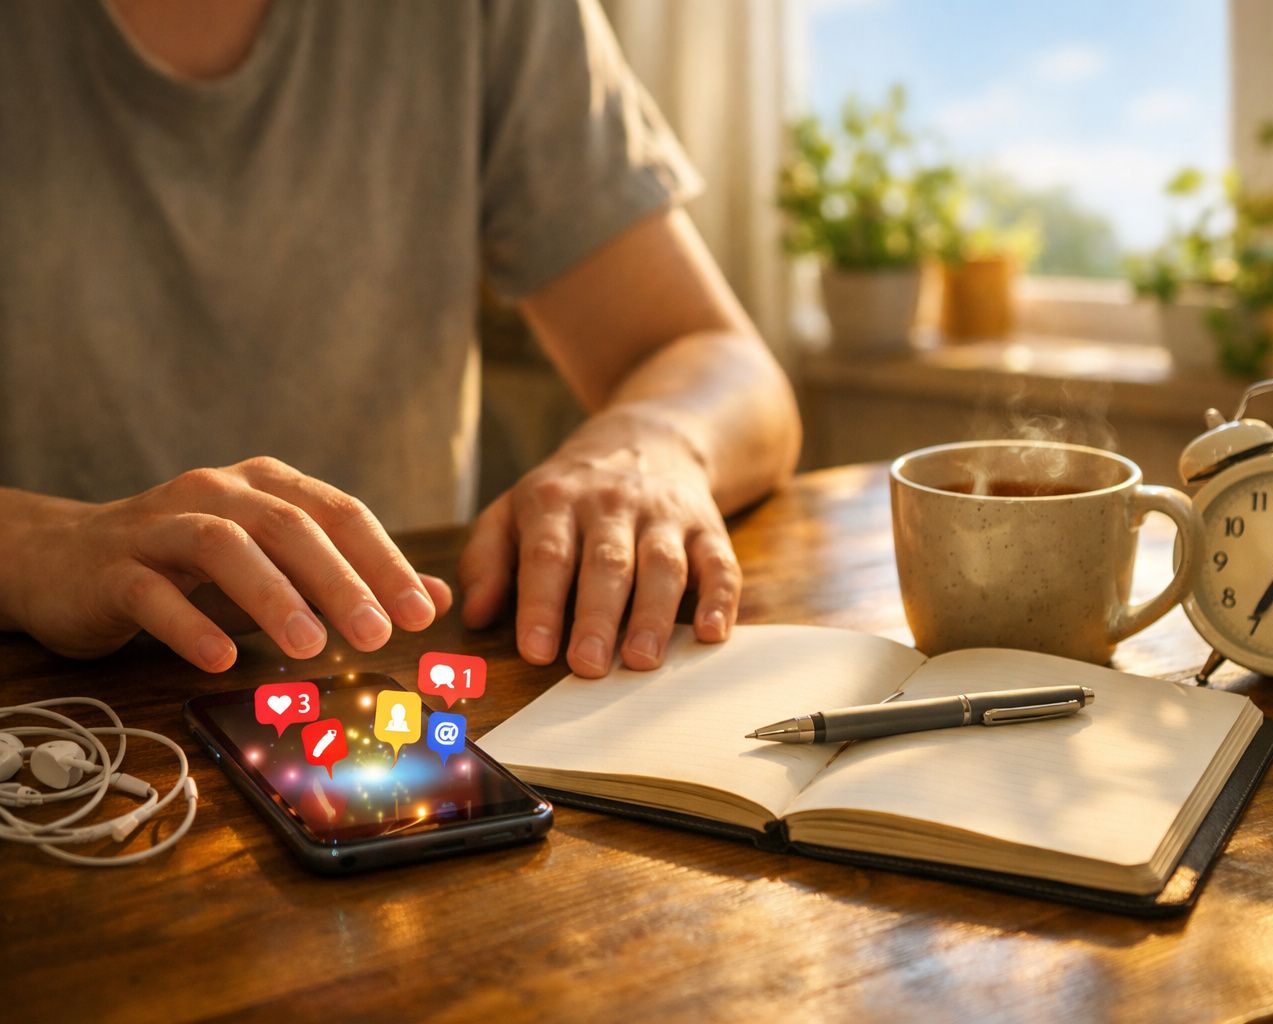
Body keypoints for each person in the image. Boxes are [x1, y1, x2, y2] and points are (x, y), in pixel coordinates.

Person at [0, 0, 801, 679]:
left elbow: (721, 364)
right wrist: (36, 543)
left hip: (400, 675)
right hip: (49, 704)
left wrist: (648, 444)